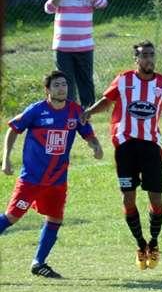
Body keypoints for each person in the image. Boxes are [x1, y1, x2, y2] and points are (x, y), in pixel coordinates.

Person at [82, 41, 162, 270]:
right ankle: (140, 244)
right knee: (128, 199)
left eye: (151, 55)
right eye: (143, 55)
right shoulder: (124, 80)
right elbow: (107, 101)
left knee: (156, 199)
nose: (148, 59)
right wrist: (89, 111)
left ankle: (153, 243)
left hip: (151, 147)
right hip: (125, 147)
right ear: (136, 59)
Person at [1, 71, 103, 278]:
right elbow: (13, 129)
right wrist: (6, 158)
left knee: (55, 218)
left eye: (64, 84)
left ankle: (38, 263)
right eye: (56, 85)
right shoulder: (36, 110)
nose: (62, 88)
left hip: (57, 179)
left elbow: (88, 134)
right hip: (31, 179)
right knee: (12, 217)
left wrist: (96, 146)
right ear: (47, 90)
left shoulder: (75, 111)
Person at [44, 0, 108, 107]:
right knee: (65, 82)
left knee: (85, 80)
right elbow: (48, 8)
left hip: (84, 46)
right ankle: (68, 109)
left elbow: (103, 4)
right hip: (63, 47)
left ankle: (88, 110)